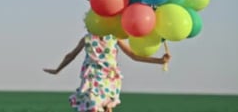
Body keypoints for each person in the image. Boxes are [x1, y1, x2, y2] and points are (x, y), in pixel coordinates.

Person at [43, 31, 171, 112]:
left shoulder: (114, 37)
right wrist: (58, 70)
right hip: (92, 78)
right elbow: (71, 55)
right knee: (93, 106)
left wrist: (159, 61)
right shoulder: (88, 38)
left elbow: (133, 55)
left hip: (109, 79)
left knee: (107, 108)